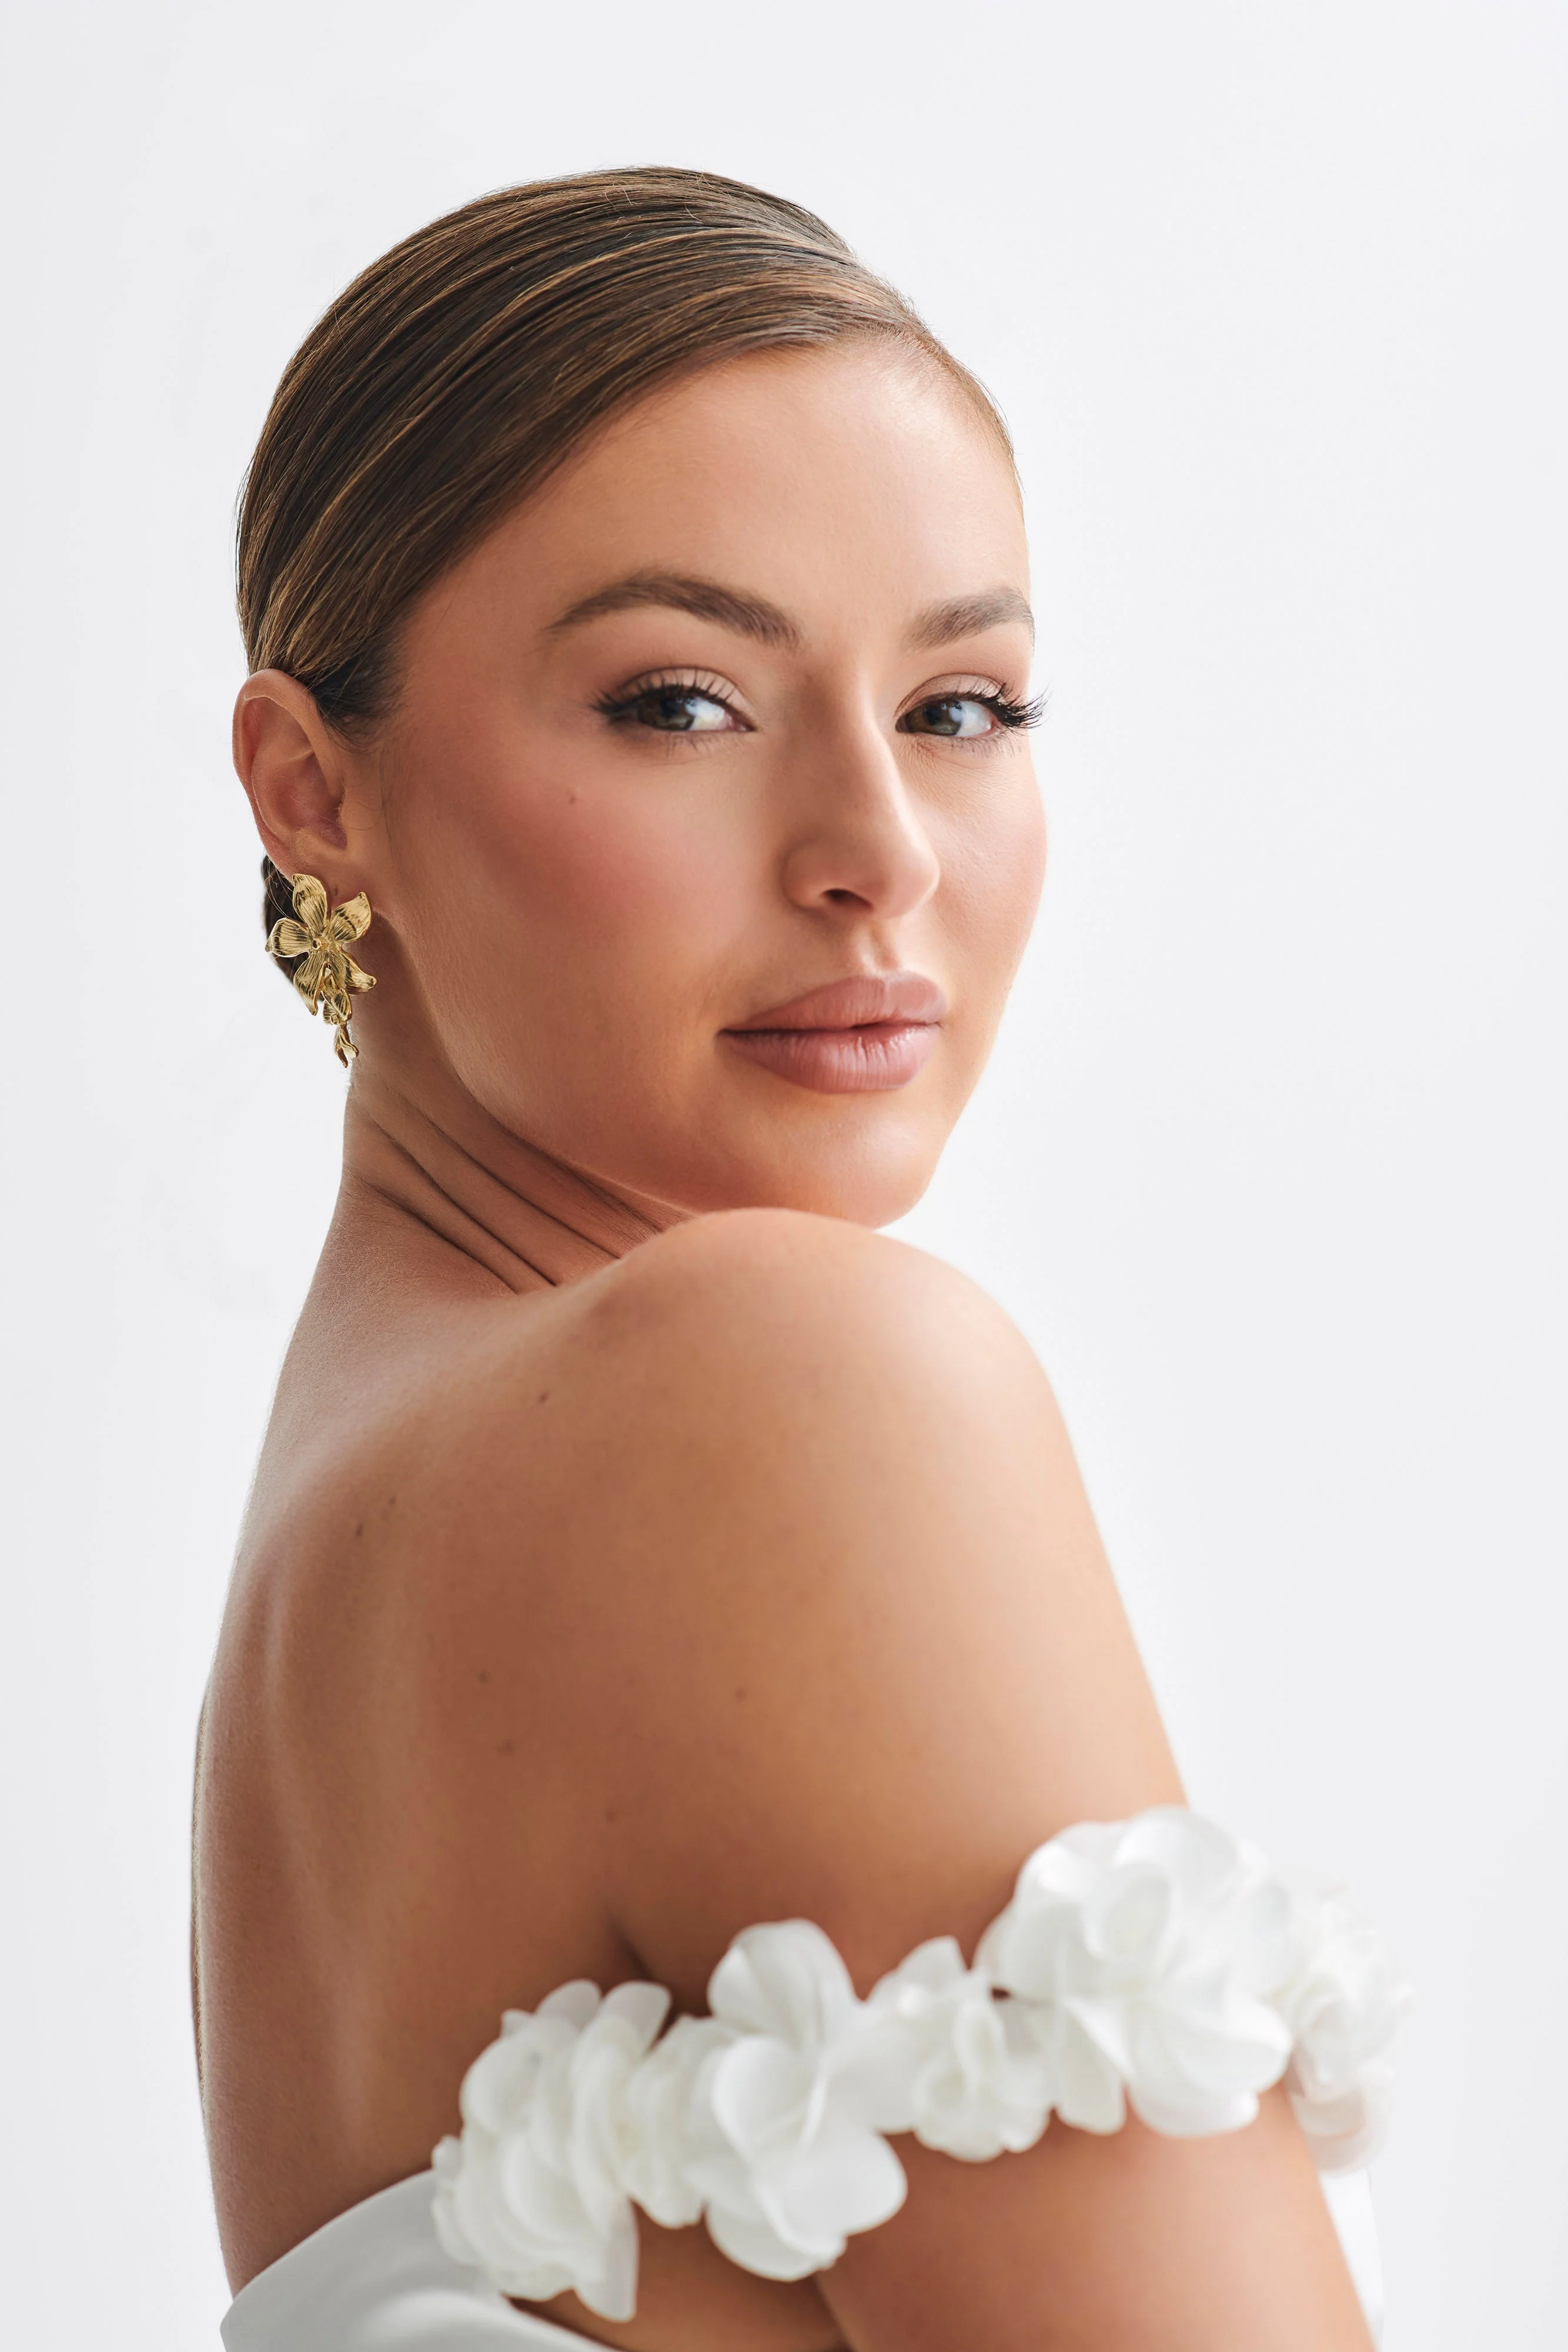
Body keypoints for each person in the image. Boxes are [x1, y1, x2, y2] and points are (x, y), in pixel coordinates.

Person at [193, 168, 1403, 2351]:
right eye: (682, 702)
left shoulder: (346, 1550)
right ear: (312, 789)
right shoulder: (768, 1374)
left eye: (963, 707)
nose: (880, 854)